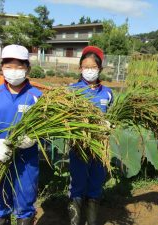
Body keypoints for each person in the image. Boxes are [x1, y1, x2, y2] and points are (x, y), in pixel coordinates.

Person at [0, 44, 42, 225]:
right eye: (9, 66)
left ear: (27, 68)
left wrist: (35, 138)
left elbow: (46, 129)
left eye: (19, 66)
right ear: (2, 67)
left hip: (27, 163)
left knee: (25, 207)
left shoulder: (37, 97)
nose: (14, 71)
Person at [68, 46, 113, 225]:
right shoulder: (71, 91)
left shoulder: (108, 93)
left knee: (95, 185)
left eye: (93, 67)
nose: (89, 70)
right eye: (86, 67)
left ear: (99, 69)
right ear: (80, 68)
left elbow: (112, 115)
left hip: (100, 146)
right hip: (79, 146)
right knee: (77, 185)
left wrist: (110, 124)